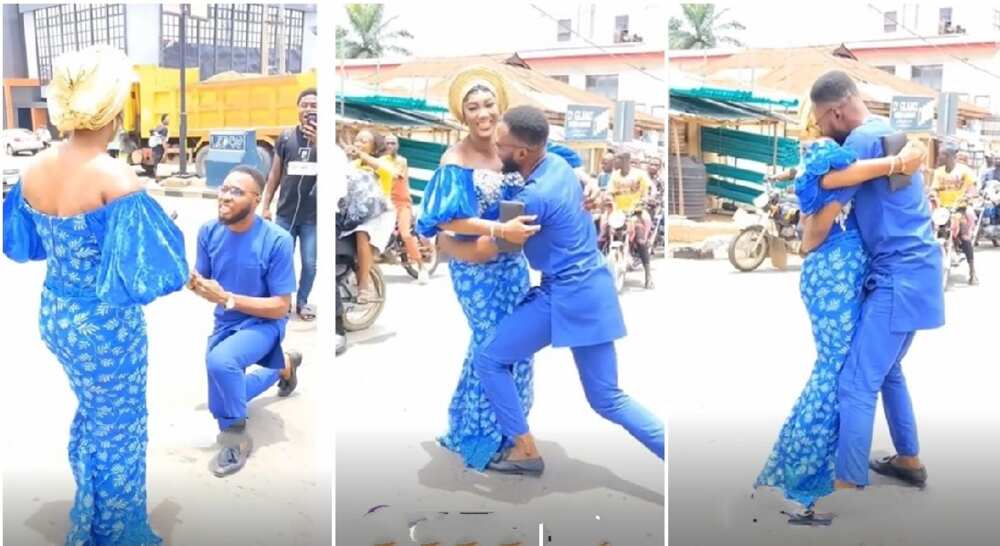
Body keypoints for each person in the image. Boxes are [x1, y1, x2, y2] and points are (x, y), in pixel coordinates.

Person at [2, 45, 188, 545]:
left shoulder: (34, 168)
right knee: (120, 428)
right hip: (105, 328)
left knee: (94, 411)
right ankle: (113, 532)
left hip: (57, 314)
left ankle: (90, 504)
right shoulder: (115, 177)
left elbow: (25, 244)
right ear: (113, 105)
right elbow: (154, 274)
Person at [448, 105, 665, 476]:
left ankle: (524, 448)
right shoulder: (559, 168)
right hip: (592, 289)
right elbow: (569, 159)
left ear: (521, 153)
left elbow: (486, 250)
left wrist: (445, 244)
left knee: (489, 359)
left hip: (564, 294)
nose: (493, 150)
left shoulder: (534, 199)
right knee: (607, 398)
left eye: (500, 146)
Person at [754, 126, 927, 524]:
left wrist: (907, 154)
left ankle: (816, 461)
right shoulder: (829, 174)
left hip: (834, 277)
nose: (851, 160)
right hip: (834, 277)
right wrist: (899, 161)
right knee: (840, 372)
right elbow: (815, 229)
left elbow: (816, 220)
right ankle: (811, 470)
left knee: (855, 369)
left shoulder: (817, 172)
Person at [809, 70, 944, 494]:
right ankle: (908, 458)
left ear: (835, 112)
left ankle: (847, 479)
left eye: (819, 121)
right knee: (889, 372)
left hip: (897, 278)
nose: (820, 130)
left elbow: (826, 207)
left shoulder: (861, 141)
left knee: (856, 381)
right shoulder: (889, 132)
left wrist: (806, 241)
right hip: (918, 271)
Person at [414, 67, 542, 471]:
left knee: (512, 348)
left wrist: (585, 183)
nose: (483, 113)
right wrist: (496, 228)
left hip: (513, 268)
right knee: (493, 346)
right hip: (475, 273)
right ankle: (487, 431)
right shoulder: (455, 159)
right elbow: (446, 220)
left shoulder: (511, 149)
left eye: (488, 105)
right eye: (473, 107)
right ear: (462, 114)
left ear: (499, 107)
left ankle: (504, 428)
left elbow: (554, 166)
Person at [191, 165, 303, 477]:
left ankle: (236, 439)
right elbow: (203, 278)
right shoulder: (208, 231)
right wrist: (191, 280)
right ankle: (284, 367)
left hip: (264, 323)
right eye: (224, 188)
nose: (225, 196)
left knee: (221, 362)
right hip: (226, 323)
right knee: (223, 401)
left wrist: (228, 298)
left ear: (256, 200)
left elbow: (282, 307)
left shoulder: (277, 240)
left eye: (236, 192)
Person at [262, 88, 319, 320]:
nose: (309, 109)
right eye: (304, 105)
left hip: (312, 217)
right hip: (285, 213)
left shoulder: (327, 139)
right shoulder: (286, 137)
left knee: (309, 262)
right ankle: (281, 302)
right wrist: (265, 206)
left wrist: (319, 142)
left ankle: (303, 301)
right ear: (298, 109)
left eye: (314, 105)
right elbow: (275, 174)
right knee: (280, 259)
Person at [344, 129, 398, 304]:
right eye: (357, 140)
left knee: (362, 233)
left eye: (364, 141)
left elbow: (385, 170)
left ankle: (364, 286)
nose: (359, 143)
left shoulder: (384, 161)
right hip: (354, 213)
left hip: (378, 214)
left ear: (375, 147)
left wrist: (359, 153)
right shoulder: (353, 164)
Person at [385, 133, 428, 283]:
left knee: (406, 234)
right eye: (387, 143)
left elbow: (396, 174)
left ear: (397, 146)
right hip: (386, 204)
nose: (390, 146)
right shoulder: (380, 161)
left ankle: (422, 268)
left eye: (393, 143)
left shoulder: (401, 161)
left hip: (402, 204)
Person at [608, 150, 654, 288]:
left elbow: (650, 190)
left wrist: (647, 199)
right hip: (618, 213)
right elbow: (609, 192)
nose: (614, 162)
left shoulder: (640, 175)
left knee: (640, 241)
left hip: (636, 212)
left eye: (617, 159)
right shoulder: (615, 176)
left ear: (625, 160)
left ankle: (648, 275)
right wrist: (608, 199)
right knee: (602, 233)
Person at [932, 147, 979, 284]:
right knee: (933, 231)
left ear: (952, 157)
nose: (940, 158)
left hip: (959, 208)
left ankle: (972, 271)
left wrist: (970, 195)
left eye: (943, 155)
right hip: (942, 209)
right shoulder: (938, 172)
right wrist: (933, 194)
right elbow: (934, 188)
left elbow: (972, 187)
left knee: (964, 236)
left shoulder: (964, 171)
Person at [149, 113, 168, 178]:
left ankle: (157, 178)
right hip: (159, 148)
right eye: (167, 119)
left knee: (156, 164)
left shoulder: (158, 126)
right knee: (159, 164)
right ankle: (158, 179)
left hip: (154, 147)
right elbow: (163, 141)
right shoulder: (164, 128)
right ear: (163, 120)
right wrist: (165, 151)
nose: (169, 121)